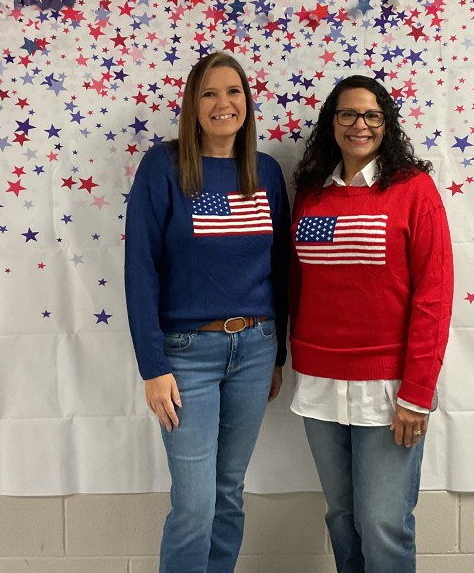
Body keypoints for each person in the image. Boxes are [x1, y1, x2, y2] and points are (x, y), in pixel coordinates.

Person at [124, 52, 290, 573]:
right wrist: (152, 366)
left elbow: (281, 268)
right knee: (194, 505)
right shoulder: (164, 166)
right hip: (186, 356)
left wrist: (278, 354)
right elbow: (140, 268)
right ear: (193, 105)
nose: (224, 103)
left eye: (233, 91)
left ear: (247, 102)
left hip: (256, 350)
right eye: (210, 93)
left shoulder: (265, 171)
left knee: (228, 494)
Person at [289, 75, 453, 573]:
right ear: (331, 122)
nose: (360, 125)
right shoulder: (312, 193)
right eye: (348, 114)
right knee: (342, 517)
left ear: (386, 124)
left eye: (372, 115)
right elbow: (296, 282)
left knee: (383, 523)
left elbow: (434, 295)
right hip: (320, 383)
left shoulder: (413, 190)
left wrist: (417, 393)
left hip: (390, 387)